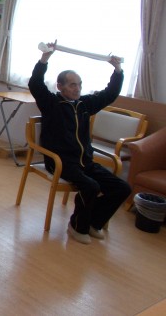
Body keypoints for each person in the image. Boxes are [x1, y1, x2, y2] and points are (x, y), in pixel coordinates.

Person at [28, 41, 131, 244]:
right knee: (91, 186)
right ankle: (77, 226)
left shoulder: (85, 105)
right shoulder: (51, 103)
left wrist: (118, 70)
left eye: (79, 84)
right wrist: (44, 59)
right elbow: (35, 84)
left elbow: (110, 94)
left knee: (122, 188)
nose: (77, 89)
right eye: (73, 85)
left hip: (85, 161)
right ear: (60, 86)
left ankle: (93, 222)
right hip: (60, 161)